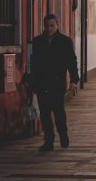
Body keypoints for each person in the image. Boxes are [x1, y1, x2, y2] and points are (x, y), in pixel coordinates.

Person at [31, 13, 79, 152]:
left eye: (52, 25)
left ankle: (63, 134)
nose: (49, 28)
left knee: (59, 112)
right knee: (45, 113)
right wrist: (32, 81)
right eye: (47, 26)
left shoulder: (65, 41)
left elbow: (71, 61)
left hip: (57, 83)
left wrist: (74, 80)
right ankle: (49, 140)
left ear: (57, 25)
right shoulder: (38, 41)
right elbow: (33, 63)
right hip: (42, 83)